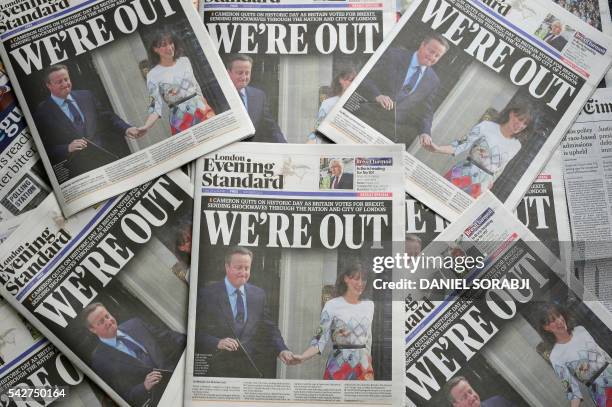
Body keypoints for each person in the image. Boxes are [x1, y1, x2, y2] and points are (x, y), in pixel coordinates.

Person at [195, 247, 296, 378]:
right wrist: (217, 342)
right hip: (216, 370)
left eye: (247, 268)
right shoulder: (207, 294)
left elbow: (269, 329)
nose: (243, 272)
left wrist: (282, 349)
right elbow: (194, 332)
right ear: (227, 267)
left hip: (249, 370)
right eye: (238, 267)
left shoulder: (258, 294)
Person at [34, 65, 142, 179]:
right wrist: (67, 148)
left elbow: (108, 117)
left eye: (66, 79)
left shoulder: (86, 96)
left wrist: (126, 128)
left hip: (106, 160)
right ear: (49, 85)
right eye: (59, 82)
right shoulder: (42, 112)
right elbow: (43, 147)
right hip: (79, 171)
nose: (65, 84)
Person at [83, 303, 186, 407]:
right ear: (92, 329)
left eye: (107, 316)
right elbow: (119, 396)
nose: (108, 321)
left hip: (180, 377)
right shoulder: (99, 361)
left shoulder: (135, 324)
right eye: (101, 321)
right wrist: (144, 386)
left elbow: (169, 337)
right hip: (159, 400)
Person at [420, 104, 533, 198]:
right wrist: (437, 149)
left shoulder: (516, 145)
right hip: (462, 173)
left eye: (525, 123)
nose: (520, 125)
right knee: (437, 199)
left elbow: (501, 168)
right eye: (519, 119)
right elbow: (461, 144)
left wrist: (490, 183)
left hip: (482, 186)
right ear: (511, 113)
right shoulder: (486, 126)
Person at [356, 34, 449, 146]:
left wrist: (425, 132)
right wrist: (377, 95)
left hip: (390, 130)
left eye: (437, 56)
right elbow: (364, 77)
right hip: (364, 114)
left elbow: (426, 111)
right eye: (431, 51)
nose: (432, 57)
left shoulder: (433, 80)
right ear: (422, 45)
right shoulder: (393, 55)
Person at [293, 263, 374, 380]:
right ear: (346, 278)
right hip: (338, 367)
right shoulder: (331, 305)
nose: (360, 284)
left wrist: (368, 363)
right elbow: (319, 339)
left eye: (364, 279)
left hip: (364, 367)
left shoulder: (370, 305)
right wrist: (302, 357)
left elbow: (369, 339)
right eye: (356, 279)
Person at [138, 31, 215, 136]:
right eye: (164, 45)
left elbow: (196, 86)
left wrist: (204, 104)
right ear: (155, 49)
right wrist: (146, 126)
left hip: (202, 110)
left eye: (171, 43)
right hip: (179, 118)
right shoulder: (152, 75)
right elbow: (155, 106)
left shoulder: (185, 61)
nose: (169, 48)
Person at [537, 303, 612, 407]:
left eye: (558, 316)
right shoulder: (556, 356)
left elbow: (603, 353)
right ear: (546, 327)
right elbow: (572, 391)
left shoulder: (580, 330)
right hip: (600, 391)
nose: (559, 321)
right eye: (553, 320)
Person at [226, 54, 287, 143]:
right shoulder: (217, 96)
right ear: (228, 72)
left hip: (251, 152)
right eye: (240, 73)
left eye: (247, 73)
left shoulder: (259, 96)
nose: (244, 77)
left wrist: (285, 147)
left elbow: (271, 127)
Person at [308, 67, 357, 143]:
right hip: (334, 149)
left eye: (355, 81)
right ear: (341, 80)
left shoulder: (359, 104)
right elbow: (318, 127)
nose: (353, 83)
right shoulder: (328, 103)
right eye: (350, 80)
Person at [445, 376, 516, 407]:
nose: (471, 397)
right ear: (456, 405)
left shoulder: (498, 402)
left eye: (470, 391)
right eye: (464, 397)